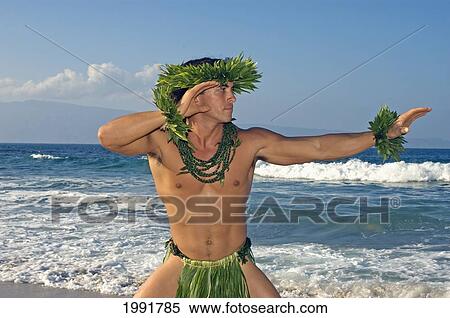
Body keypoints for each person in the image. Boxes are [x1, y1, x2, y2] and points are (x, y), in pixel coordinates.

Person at [97, 57, 432, 298]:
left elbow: (317, 147)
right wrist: (176, 112)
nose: (232, 97)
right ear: (196, 97)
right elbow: (108, 136)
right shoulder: (161, 141)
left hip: (238, 264)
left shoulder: (249, 142)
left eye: (232, 89)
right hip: (180, 264)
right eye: (222, 90)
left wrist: (383, 133)